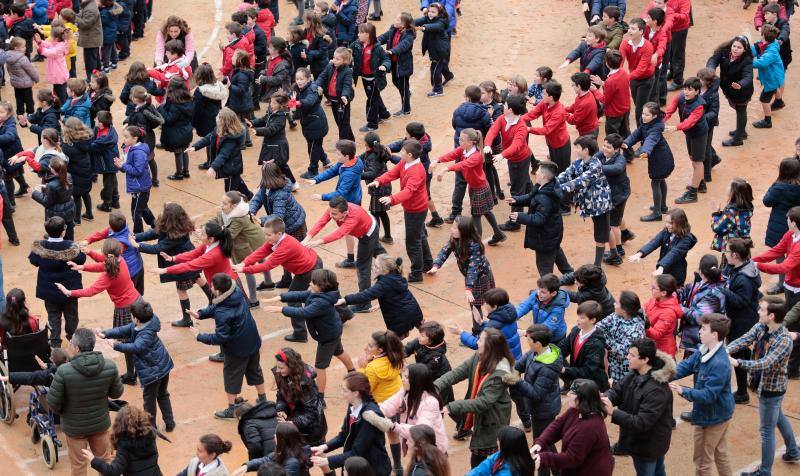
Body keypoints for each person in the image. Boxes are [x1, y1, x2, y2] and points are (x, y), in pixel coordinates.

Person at [727, 297, 800, 476]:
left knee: (767, 430)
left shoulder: (784, 340)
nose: (758, 312)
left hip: (772, 389)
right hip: (762, 384)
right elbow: (745, 339)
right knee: (778, 416)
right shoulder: (761, 327)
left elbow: (765, 363)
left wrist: (738, 362)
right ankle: (793, 451)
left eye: (761, 310)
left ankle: (765, 472)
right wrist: (727, 349)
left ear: (772, 315)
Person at [56, 238, 141, 382]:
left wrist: (69, 292)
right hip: (137, 301)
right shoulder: (121, 261)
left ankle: (131, 375)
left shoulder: (109, 275)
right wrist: (81, 267)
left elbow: (90, 291)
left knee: (127, 343)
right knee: (136, 338)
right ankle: (133, 372)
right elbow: (103, 264)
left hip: (125, 309)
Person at [262, 269, 355, 396]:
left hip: (327, 337)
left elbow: (304, 312)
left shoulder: (321, 302)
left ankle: (320, 397)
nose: (310, 284)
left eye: (313, 282)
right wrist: (280, 297)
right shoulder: (319, 293)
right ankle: (353, 372)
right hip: (333, 331)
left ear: (321, 286)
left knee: (320, 367)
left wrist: (281, 309)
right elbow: (300, 295)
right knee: (339, 351)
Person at [187, 273, 267, 420]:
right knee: (255, 369)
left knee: (231, 377)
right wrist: (200, 314)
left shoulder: (223, 313)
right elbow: (217, 306)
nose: (210, 287)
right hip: (253, 341)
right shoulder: (236, 292)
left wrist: (199, 336)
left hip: (236, 349)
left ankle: (231, 410)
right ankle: (263, 399)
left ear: (217, 291)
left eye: (212, 286)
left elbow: (220, 337)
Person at [47, 328, 124, 476]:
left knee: (78, 467)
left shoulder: (63, 372)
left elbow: (53, 403)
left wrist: (65, 413)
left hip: (75, 428)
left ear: (77, 348)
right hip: (100, 424)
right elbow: (116, 393)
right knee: (105, 462)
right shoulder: (109, 366)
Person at [235, 217, 322, 342]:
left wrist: (244, 269)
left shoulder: (285, 246)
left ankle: (300, 334)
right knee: (322, 292)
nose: (266, 238)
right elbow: (262, 251)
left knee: (293, 299)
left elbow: (267, 265)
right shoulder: (276, 240)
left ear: (279, 233)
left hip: (308, 270)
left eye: (269, 235)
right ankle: (343, 313)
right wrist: (244, 263)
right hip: (311, 263)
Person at [434, 328, 513, 467]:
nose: (477, 342)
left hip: (492, 419)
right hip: (481, 416)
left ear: (489, 347)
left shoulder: (500, 372)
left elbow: (483, 403)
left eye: (481, 340)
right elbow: (457, 373)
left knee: (479, 458)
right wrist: (434, 387)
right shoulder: (479, 356)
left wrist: (451, 406)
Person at [669, 314, 734, 476]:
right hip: (717, 413)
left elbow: (709, 395)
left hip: (713, 417)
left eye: (703, 329)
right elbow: (686, 366)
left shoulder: (719, 363)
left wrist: (683, 390)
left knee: (702, 462)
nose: (699, 332)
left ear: (714, 334)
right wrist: (664, 374)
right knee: (720, 453)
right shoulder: (704, 350)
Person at [97, 299, 175, 431]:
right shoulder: (149, 322)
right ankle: (170, 422)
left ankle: (151, 430)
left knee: (149, 402)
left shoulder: (144, 333)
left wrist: (116, 345)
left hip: (152, 372)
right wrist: (106, 333)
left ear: (136, 318)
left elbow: (136, 347)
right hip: (163, 365)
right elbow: (125, 329)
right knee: (163, 395)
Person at [602, 338, 676, 475]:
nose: (627, 357)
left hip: (648, 445)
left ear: (645, 360)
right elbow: (618, 390)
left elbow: (641, 423)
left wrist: (613, 412)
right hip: (644, 441)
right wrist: (606, 397)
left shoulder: (656, 390)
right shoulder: (635, 373)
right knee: (659, 471)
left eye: (632, 355)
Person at [131, 202, 210, 327]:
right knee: (197, 278)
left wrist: (138, 246)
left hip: (181, 262)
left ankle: (186, 319)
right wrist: (135, 237)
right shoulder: (177, 226)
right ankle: (213, 301)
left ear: (168, 218)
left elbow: (158, 248)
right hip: (188, 259)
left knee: (181, 290)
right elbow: (152, 233)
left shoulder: (175, 235)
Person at [368, 139, 432, 282]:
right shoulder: (406, 162)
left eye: (402, 151)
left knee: (412, 241)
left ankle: (416, 273)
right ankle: (427, 264)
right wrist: (379, 180)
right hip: (414, 207)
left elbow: (409, 191)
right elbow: (393, 173)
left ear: (409, 154)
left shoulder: (416, 171)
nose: (399, 152)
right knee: (419, 235)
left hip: (415, 209)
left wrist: (392, 199)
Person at [310, 372, 392, 476]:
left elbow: (357, 452)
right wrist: (324, 447)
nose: (341, 393)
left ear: (356, 393)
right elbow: (343, 435)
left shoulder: (369, 416)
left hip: (372, 469)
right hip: (356, 466)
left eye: (344, 390)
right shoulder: (353, 405)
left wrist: (328, 461)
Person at [433, 128, 506, 244]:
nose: (459, 140)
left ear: (471, 142)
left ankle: (477, 245)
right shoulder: (464, 150)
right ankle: (498, 234)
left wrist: (446, 169)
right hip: (477, 187)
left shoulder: (476, 156)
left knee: (476, 216)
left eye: (462, 139)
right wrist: (438, 160)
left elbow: (463, 165)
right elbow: (452, 154)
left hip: (479, 189)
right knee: (486, 211)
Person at [531, 379, 613, 476]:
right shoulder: (576, 410)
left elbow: (572, 458)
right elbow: (557, 426)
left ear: (583, 399)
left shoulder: (590, 427)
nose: (568, 394)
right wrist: (541, 442)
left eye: (572, 393)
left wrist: (543, 458)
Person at [504, 324, 562, 457]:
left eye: (529, 339)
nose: (527, 341)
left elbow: (536, 394)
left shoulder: (547, 367)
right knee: (545, 442)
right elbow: (519, 365)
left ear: (538, 343)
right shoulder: (535, 352)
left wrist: (517, 380)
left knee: (540, 444)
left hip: (544, 411)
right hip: (540, 408)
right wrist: (515, 372)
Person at [507, 161, 573, 277]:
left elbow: (539, 219)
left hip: (545, 237)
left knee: (544, 268)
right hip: (552, 233)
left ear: (543, 176)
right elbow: (531, 198)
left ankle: (549, 290)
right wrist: (517, 200)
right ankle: (570, 275)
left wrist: (520, 216)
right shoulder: (544, 186)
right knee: (556, 252)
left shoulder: (544, 197)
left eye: (537, 171)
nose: (535, 173)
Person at [429, 216, 495, 331]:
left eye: (455, 228)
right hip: (472, 277)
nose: (451, 229)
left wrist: (469, 288)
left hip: (480, 277)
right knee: (479, 303)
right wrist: (436, 265)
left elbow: (473, 269)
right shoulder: (454, 238)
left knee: (477, 304)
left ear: (463, 232)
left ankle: (478, 332)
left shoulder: (475, 246)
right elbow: (445, 250)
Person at [557, 135, 615, 268]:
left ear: (586, 150)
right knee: (605, 229)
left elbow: (580, 181)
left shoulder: (595, 166)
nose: (575, 150)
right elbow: (567, 173)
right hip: (591, 203)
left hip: (600, 204)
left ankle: (597, 266)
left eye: (578, 148)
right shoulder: (578, 161)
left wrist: (558, 188)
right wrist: (554, 181)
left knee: (600, 235)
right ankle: (615, 255)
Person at [28, 216, 85, 348]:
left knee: (53, 316)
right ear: (63, 231)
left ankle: (55, 342)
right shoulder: (71, 247)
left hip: (49, 291)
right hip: (69, 290)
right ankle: (72, 336)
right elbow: (82, 260)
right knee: (71, 315)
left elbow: (33, 260)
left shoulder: (41, 247)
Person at [247, 163, 307, 288]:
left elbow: (278, 215)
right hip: (283, 226)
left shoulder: (280, 193)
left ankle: (302, 277)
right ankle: (287, 278)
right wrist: (251, 210)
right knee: (283, 253)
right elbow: (258, 198)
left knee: (296, 254)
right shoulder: (267, 186)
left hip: (294, 226)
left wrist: (262, 220)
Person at [340, 254, 424, 337]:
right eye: (374, 265)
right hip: (414, 311)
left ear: (385, 270)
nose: (373, 268)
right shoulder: (396, 276)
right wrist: (380, 304)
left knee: (392, 343)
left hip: (399, 318)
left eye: (376, 267)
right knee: (426, 332)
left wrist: (345, 300)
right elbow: (395, 296)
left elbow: (365, 295)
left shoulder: (383, 284)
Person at [485, 94, 535, 229]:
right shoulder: (503, 118)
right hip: (514, 158)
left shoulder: (521, 127)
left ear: (511, 110)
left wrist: (502, 154)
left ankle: (515, 222)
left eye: (505, 105)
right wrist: (488, 144)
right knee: (524, 183)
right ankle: (536, 202)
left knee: (517, 191)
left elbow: (516, 145)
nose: (502, 106)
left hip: (519, 160)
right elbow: (492, 131)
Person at [212, 191, 266, 307]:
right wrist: (206, 227)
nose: (222, 206)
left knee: (247, 270)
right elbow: (217, 219)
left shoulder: (238, 218)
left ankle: (253, 300)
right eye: (221, 203)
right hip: (248, 242)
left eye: (225, 204)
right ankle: (268, 282)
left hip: (248, 243)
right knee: (259, 261)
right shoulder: (226, 212)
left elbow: (229, 235)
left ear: (234, 206)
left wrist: (213, 234)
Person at [623, 102, 674, 221]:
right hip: (661, 158)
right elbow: (637, 133)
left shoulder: (655, 128)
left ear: (654, 116)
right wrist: (627, 142)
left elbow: (650, 140)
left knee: (655, 182)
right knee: (661, 181)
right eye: (643, 114)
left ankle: (657, 213)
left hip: (660, 160)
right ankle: (662, 206)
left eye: (646, 115)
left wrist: (645, 151)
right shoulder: (646, 123)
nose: (643, 117)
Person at [662, 77, 708, 204]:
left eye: (690, 90)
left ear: (697, 92)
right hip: (689, 133)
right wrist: (661, 122)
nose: (686, 92)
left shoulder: (699, 106)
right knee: (692, 157)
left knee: (697, 162)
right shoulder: (680, 96)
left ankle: (693, 194)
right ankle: (701, 184)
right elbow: (670, 110)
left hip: (698, 134)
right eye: (685, 88)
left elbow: (689, 122)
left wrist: (674, 127)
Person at [272, 348, 328, 446]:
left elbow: (312, 413)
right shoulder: (282, 375)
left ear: (291, 366)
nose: (277, 370)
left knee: (316, 456)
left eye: (281, 368)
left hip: (311, 432)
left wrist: (292, 423)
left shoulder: (306, 385)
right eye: (277, 367)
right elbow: (281, 395)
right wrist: (281, 409)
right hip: (295, 424)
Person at [85, 405, 162, 476]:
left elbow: (113, 471)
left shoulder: (124, 446)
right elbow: (143, 458)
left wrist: (93, 460)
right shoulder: (150, 436)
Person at [706, 36, 754, 147]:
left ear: (744, 50)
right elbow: (712, 60)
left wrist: (740, 84)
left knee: (741, 110)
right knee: (739, 110)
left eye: (739, 47)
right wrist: (710, 70)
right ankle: (742, 131)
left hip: (742, 91)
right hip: (729, 89)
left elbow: (748, 76)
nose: (736, 49)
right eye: (734, 46)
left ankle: (738, 139)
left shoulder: (747, 61)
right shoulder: (724, 52)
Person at [762, 157, 800, 294]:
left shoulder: (778, 188)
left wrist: (773, 185)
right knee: (795, 252)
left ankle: (781, 283)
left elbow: (767, 201)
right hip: (797, 224)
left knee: (780, 254)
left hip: (779, 226)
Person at [629, 208, 697, 285]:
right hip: (663, 271)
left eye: (671, 223)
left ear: (680, 223)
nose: (667, 225)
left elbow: (674, 253)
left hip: (675, 275)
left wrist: (661, 267)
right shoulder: (666, 231)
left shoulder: (686, 239)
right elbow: (654, 242)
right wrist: (640, 253)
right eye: (666, 222)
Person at [451, 287, 522, 360]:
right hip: (516, 357)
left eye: (486, 303)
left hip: (504, 363)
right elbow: (501, 327)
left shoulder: (492, 326)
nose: (484, 304)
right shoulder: (510, 313)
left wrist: (460, 332)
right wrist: (481, 323)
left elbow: (476, 344)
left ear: (494, 306)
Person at [678, 255, 725, 357]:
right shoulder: (702, 282)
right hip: (696, 336)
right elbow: (687, 291)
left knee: (700, 369)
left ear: (701, 271)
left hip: (703, 340)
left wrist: (678, 307)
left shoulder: (714, 292)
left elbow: (698, 317)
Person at [597, 290, 646, 382]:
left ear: (624, 310)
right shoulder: (616, 315)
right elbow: (599, 326)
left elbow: (622, 352)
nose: (614, 304)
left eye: (617, 303)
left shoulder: (636, 330)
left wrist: (603, 338)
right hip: (615, 368)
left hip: (627, 373)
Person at [233, 422, 311, 476]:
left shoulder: (292, 462)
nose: (274, 436)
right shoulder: (287, 450)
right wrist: (247, 466)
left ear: (282, 439)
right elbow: (266, 459)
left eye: (276, 434)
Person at [377, 12, 415, 116]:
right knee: (395, 81)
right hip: (394, 63)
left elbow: (403, 46)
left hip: (403, 64)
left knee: (402, 86)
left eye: (398, 20)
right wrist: (375, 41)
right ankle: (406, 92)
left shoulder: (409, 35)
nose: (395, 21)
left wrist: (391, 51)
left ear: (403, 25)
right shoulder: (393, 29)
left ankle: (406, 109)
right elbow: (384, 37)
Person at [413, 4, 453, 97]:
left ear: (439, 13)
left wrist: (423, 28)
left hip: (440, 50)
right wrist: (408, 23)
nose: (430, 14)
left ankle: (438, 90)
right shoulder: (427, 18)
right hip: (435, 49)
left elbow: (436, 26)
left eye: (433, 12)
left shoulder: (442, 21)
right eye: (429, 11)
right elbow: (417, 21)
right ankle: (448, 76)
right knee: (440, 65)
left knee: (435, 69)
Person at [751, 25, 784, 130]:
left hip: (771, 78)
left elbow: (762, 63)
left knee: (764, 100)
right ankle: (779, 101)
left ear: (763, 37)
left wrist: (747, 62)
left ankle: (767, 121)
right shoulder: (771, 44)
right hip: (775, 76)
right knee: (775, 88)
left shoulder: (771, 51)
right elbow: (757, 49)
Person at [468, 426, 535, 476]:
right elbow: (484, 466)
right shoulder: (501, 455)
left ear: (507, 446)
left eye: (500, 441)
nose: (497, 441)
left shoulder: (508, 473)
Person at [711, 179, 754, 254]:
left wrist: (715, 214)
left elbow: (717, 227)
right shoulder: (748, 207)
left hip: (732, 249)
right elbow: (733, 220)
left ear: (734, 193)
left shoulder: (732, 211)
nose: (727, 188)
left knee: (728, 265)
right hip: (742, 245)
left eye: (730, 187)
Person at [645, 274, 682, 357]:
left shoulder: (668, 313)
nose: (651, 289)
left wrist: (646, 325)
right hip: (653, 346)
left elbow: (656, 334)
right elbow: (643, 309)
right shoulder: (655, 299)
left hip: (662, 352)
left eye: (654, 288)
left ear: (664, 292)